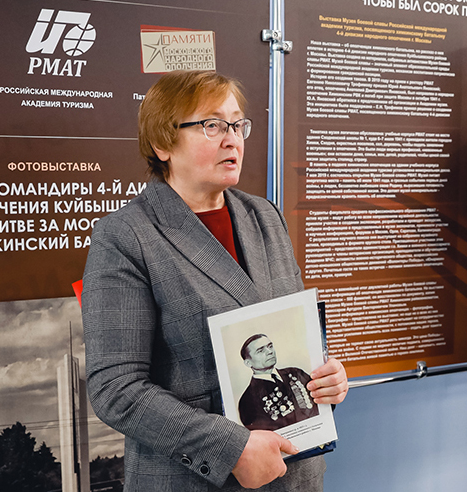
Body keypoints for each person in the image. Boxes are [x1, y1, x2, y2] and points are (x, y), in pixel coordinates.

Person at [81, 70, 348, 492]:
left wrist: (327, 376)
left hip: (295, 474)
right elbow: (116, 388)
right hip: (195, 481)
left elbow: (295, 333)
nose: (232, 140)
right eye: (212, 125)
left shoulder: (265, 217)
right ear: (163, 144)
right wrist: (231, 448)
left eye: (238, 125)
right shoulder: (126, 236)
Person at [238, 334, 319, 431]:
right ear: (248, 363)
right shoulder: (247, 401)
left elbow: (323, 404)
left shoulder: (295, 373)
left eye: (270, 346)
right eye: (260, 351)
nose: (270, 352)